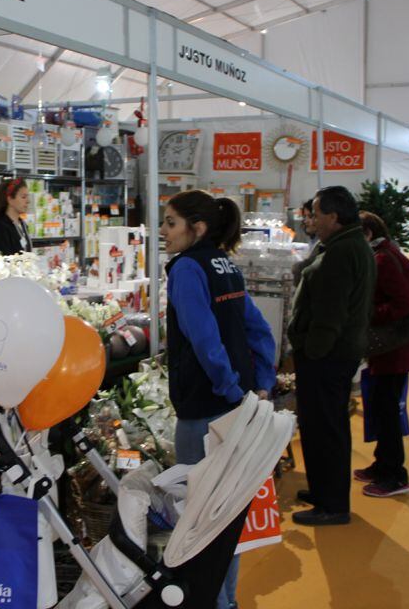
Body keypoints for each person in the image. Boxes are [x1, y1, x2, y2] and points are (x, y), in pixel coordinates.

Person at [160, 189, 276, 609]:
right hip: (236, 406)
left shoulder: (187, 268)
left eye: (171, 223)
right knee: (225, 517)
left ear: (198, 227)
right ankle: (227, 600)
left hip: (204, 411)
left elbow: (205, 340)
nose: (164, 231)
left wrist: (229, 388)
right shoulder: (226, 265)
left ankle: (215, 602)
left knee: (198, 518)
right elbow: (258, 329)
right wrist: (259, 383)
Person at [288, 186, 376, 526]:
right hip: (333, 355)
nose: (312, 220)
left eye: (316, 214)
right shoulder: (346, 245)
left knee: (325, 428)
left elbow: (330, 313)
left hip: (327, 357)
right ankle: (324, 490)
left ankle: (333, 504)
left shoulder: (342, 252)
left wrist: (312, 351)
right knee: (323, 426)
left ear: (334, 217)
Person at [358, 212, 409, 498]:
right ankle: (383, 464)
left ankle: (395, 475)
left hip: (395, 349)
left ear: (368, 234)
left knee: (387, 409)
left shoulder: (384, 260)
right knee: (382, 405)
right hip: (392, 349)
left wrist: (368, 315)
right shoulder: (386, 255)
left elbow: (404, 303)